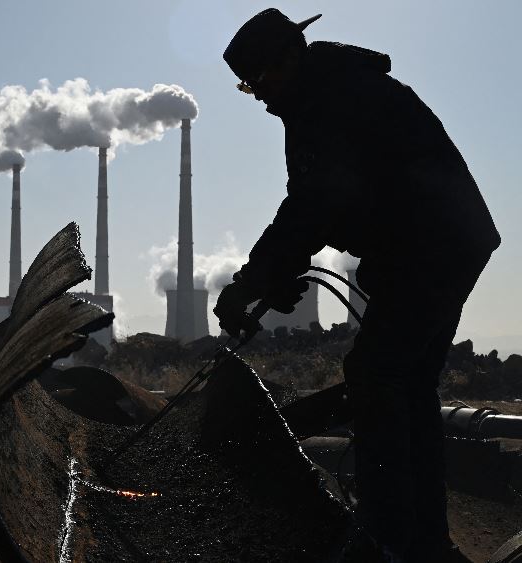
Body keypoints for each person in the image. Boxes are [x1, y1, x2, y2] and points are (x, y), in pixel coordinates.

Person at [213, 9, 500, 563]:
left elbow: (316, 202)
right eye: (248, 87)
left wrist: (252, 282)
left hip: (432, 245)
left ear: (290, 57)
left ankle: (386, 537)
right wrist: (274, 276)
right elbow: (322, 202)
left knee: (376, 373)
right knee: (408, 384)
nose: (258, 96)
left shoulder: (333, 99)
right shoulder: (324, 93)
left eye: (259, 81)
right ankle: (423, 541)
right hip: (441, 243)